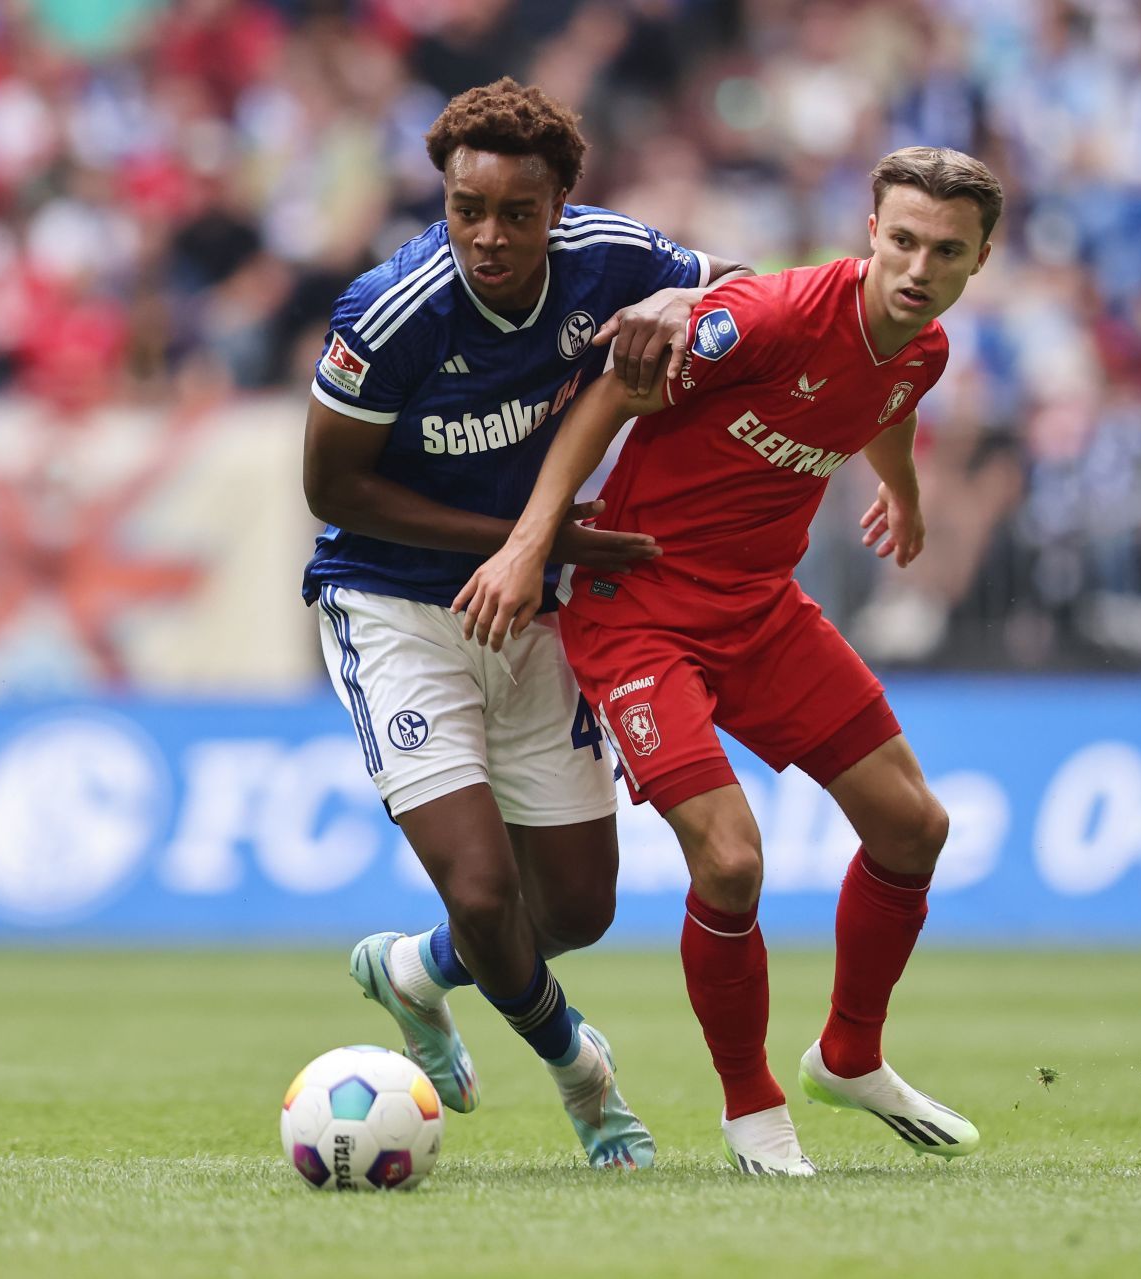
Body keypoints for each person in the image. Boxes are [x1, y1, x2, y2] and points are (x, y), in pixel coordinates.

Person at [453, 146, 1003, 1174]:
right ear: (870, 233)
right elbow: (612, 397)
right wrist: (531, 544)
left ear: (980, 260)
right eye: (904, 243)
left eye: (948, 252)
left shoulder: (923, 350)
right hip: (640, 610)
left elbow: (887, 401)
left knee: (914, 826)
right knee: (734, 859)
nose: (919, 270)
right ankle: (752, 1107)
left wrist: (906, 489)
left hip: (762, 608)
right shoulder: (771, 317)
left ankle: (849, 1055)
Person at [300, 77, 751, 1168]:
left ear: (561, 207)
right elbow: (335, 491)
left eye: (517, 213)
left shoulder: (615, 259)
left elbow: (750, 291)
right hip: (398, 608)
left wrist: (685, 302)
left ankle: (417, 970)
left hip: (534, 611)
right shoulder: (389, 311)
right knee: (486, 888)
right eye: (465, 209)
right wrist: (524, 538)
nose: (487, 237)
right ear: (442, 197)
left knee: (578, 907)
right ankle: (585, 1077)